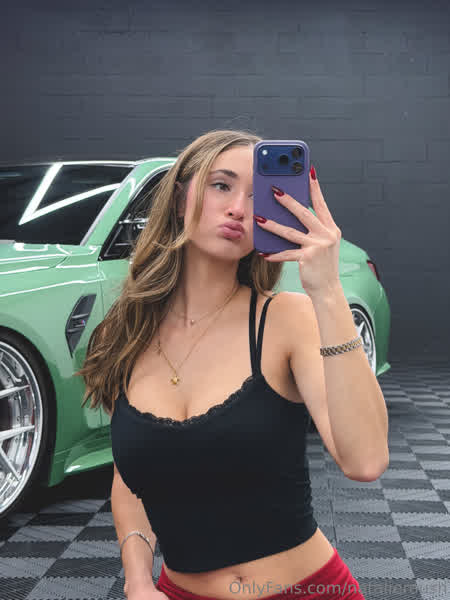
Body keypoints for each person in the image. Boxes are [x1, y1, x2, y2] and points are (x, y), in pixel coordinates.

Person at [78, 129, 386, 600]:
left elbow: (365, 461)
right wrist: (137, 580)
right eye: (222, 185)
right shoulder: (125, 334)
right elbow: (132, 478)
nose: (239, 208)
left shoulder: (286, 319)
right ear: (179, 198)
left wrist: (327, 291)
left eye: (259, 195)